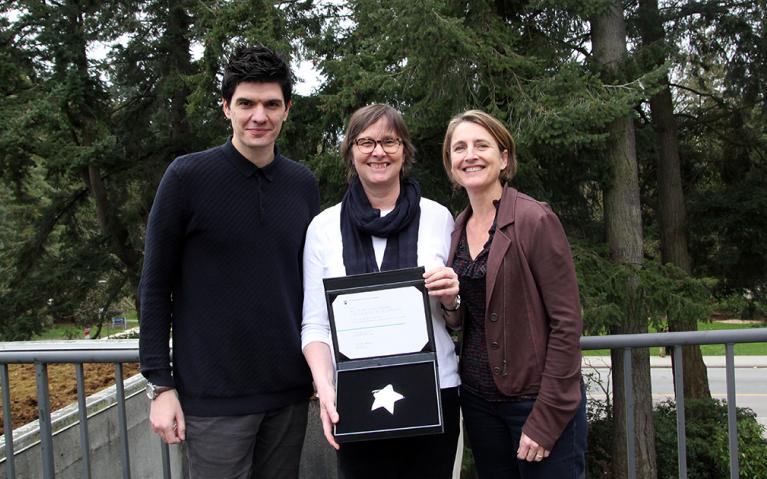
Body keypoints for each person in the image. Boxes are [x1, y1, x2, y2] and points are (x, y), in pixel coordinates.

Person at [138, 45, 320, 478]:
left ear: (287, 109)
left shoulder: (302, 185)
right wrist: (160, 385)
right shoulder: (186, 178)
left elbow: (312, 285)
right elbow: (154, 285)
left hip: (289, 394)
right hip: (212, 399)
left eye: (271, 104)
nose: (260, 115)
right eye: (246, 103)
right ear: (226, 108)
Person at [301, 104, 462, 479]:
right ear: (350, 151)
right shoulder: (322, 228)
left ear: (404, 150)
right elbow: (314, 324)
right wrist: (325, 387)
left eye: (389, 141)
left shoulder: (439, 218)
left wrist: (452, 299)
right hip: (355, 398)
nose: (378, 151)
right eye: (367, 141)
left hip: (435, 392)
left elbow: (455, 320)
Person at [441, 110, 586, 478]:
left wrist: (547, 416)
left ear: (504, 158)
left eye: (481, 145)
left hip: (535, 403)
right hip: (478, 404)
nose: (469, 154)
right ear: (451, 163)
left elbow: (566, 323)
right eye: (459, 148)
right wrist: (451, 305)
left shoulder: (533, 219)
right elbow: (469, 315)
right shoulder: (456, 229)